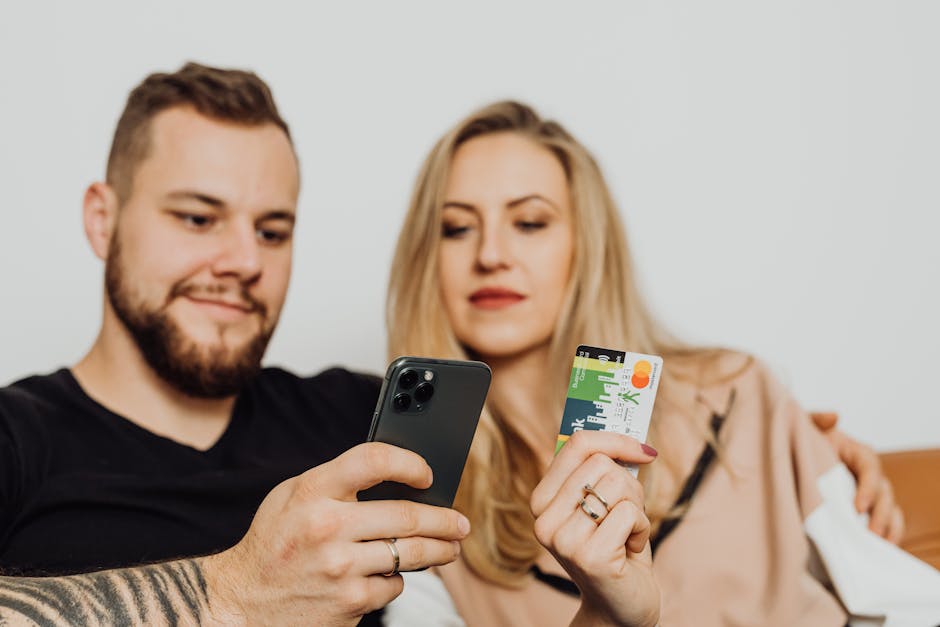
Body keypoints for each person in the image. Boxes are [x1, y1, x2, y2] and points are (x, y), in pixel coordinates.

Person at [381, 101, 907, 626]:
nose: (491, 255)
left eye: (530, 221)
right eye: (456, 228)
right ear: (424, 256)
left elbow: (894, 598)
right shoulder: (423, 508)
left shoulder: (740, 396)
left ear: (587, 245)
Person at [0, 63, 472, 625]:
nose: (247, 263)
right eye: (199, 218)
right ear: (103, 220)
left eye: (272, 232)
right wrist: (232, 594)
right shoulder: (16, 439)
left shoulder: (359, 426)